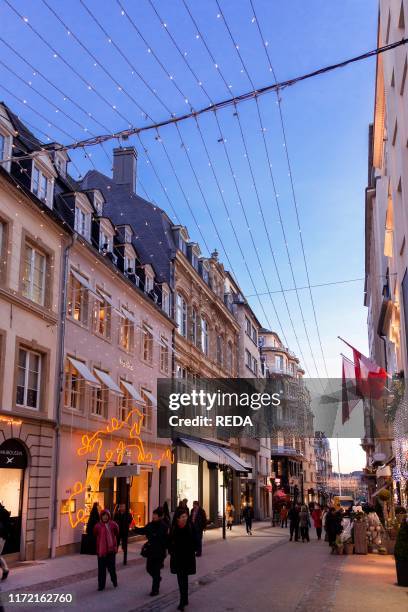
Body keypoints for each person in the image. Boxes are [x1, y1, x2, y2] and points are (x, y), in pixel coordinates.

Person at [134, 507, 168, 596]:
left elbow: (167, 540)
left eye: (155, 515)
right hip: (151, 551)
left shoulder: (164, 526)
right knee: (149, 569)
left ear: (160, 517)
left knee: (156, 571)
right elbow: (143, 531)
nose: (153, 516)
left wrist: (167, 550)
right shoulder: (150, 525)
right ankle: (157, 579)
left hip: (160, 552)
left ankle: (155, 590)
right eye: (153, 515)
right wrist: (134, 528)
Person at [168, 508, 197, 611]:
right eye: (182, 517)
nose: (185, 518)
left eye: (186, 516)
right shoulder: (174, 528)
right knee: (181, 580)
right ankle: (183, 599)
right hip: (177, 558)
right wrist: (170, 550)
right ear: (177, 518)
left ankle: (183, 599)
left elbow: (196, 539)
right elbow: (169, 541)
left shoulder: (190, 526)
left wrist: (194, 549)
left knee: (184, 579)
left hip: (187, 557)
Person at [93, 509, 119, 591]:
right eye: (103, 515)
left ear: (109, 516)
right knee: (101, 570)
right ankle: (101, 585)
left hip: (111, 551)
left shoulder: (113, 524)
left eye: (106, 515)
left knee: (111, 568)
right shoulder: (98, 526)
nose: (105, 517)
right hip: (101, 551)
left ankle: (114, 581)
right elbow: (95, 533)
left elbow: (117, 532)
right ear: (101, 516)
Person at [0, 503, 10, 580]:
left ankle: (5, 570)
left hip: (1, 536)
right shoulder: (4, 511)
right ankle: (5, 570)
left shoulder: (2, 512)